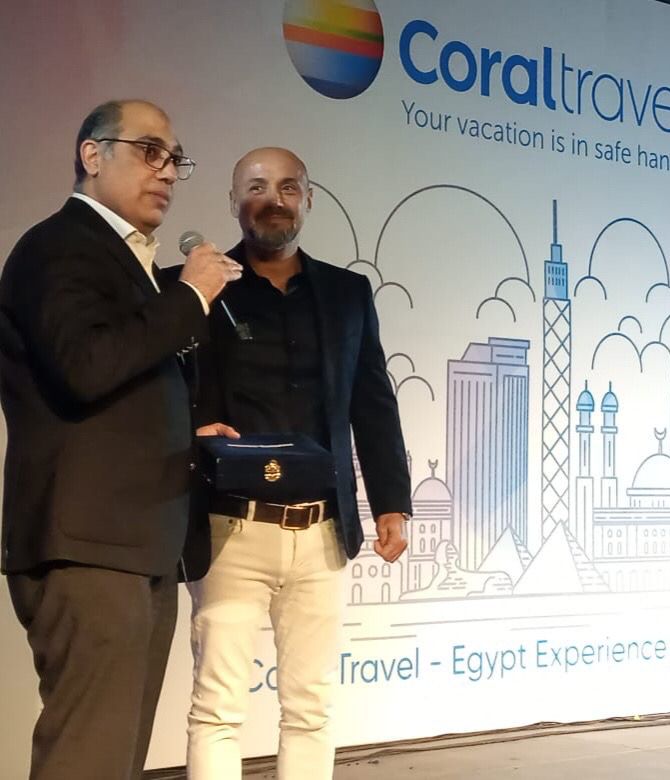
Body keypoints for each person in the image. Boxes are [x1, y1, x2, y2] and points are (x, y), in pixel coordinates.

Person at [0, 99, 242, 780]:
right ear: (93, 154)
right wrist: (190, 298)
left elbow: (117, 382)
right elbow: (86, 366)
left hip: (137, 547)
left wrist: (185, 430)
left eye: (175, 160)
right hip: (89, 548)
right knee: (88, 760)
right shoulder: (60, 246)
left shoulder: (124, 260)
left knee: (115, 762)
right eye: (149, 151)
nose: (166, 171)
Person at [186, 147, 412, 780]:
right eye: (257, 186)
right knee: (217, 710)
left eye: (289, 187)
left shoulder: (347, 293)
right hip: (229, 528)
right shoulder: (196, 288)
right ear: (234, 201)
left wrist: (392, 502)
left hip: (322, 531)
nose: (274, 199)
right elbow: (162, 392)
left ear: (307, 200)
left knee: (311, 710)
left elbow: (373, 400)